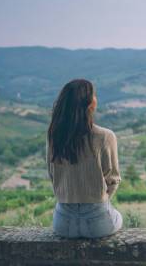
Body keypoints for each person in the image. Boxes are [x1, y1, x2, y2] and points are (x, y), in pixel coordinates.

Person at [47, 78, 122, 238]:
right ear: (89, 104)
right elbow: (113, 180)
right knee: (118, 217)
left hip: (63, 223)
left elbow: (52, 175)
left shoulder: (54, 136)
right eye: (93, 95)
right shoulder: (105, 136)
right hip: (98, 222)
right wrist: (100, 200)